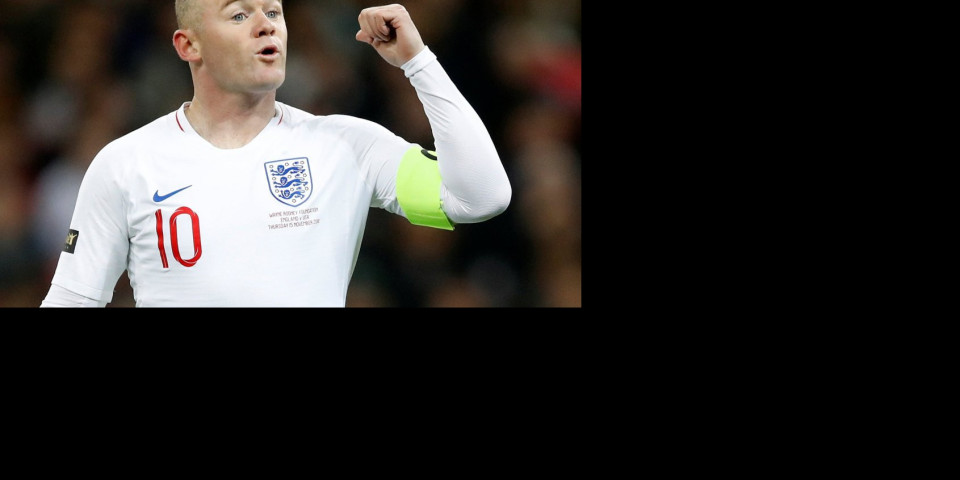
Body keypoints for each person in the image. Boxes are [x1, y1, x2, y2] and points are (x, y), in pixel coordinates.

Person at [39, 1, 511, 307]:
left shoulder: (346, 145)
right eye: (239, 15)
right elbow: (72, 300)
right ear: (189, 44)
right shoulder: (126, 163)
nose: (266, 24)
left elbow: (481, 198)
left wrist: (418, 61)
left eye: (273, 12)